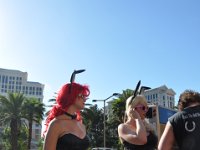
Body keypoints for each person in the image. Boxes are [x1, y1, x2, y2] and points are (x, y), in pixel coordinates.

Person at [43, 81, 90, 150]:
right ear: (71, 96)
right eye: (82, 96)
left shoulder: (81, 125)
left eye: (85, 97)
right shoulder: (56, 124)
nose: (85, 99)